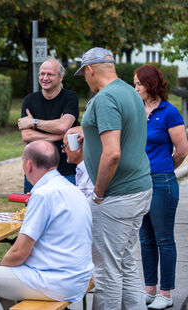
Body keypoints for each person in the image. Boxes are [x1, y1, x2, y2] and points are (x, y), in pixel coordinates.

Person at [0, 141, 92, 310]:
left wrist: (0, 270)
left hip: (55, 281)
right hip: (79, 276)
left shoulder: (42, 195)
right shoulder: (72, 189)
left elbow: (19, 252)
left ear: (29, 164)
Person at [75, 47, 153, 309]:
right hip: (139, 189)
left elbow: (112, 153)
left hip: (116, 196)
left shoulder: (105, 98)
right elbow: (124, 134)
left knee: (106, 271)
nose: (86, 79)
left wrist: (98, 192)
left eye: (84, 74)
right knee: (127, 263)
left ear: (90, 69)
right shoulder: (130, 92)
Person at [134, 64, 188, 309]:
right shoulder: (136, 110)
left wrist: (165, 169)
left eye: (138, 84)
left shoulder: (169, 112)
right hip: (139, 183)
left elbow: (183, 150)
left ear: (151, 85)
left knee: (164, 239)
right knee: (145, 240)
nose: (135, 88)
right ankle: (150, 289)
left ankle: (165, 294)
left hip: (162, 182)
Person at [18, 57, 79, 193]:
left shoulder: (70, 98)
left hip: (66, 169)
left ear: (60, 77)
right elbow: (26, 135)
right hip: (36, 171)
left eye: (50, 74)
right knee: (33, 211)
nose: (45, 78)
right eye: (42, 74)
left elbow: (63, 126)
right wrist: (59, 135)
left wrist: (34, 122)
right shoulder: (30, 100)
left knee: (66, 211)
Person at [62, 127, 94, 198]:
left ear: (78, 147)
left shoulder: (92, 173)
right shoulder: (83, 169)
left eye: (65, 146)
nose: (63, 151)